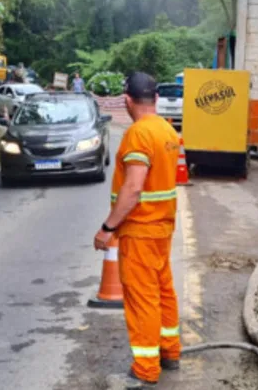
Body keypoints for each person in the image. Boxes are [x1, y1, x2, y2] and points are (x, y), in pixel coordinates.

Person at [94, 72, 181, 388]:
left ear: (127, 100)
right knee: (163, 290)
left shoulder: (138, 134)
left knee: (142, 297)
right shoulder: (167, 130)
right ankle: (169, 351)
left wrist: (107, 228)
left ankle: (146, 369)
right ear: (156, 98)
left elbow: (133, 189)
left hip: (141, 230)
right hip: (162, 229)